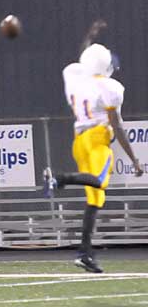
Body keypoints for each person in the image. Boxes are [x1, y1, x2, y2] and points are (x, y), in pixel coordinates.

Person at [43, 20, 143, 273]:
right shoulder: (110, 87)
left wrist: (89, 35)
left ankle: (85, 253)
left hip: (79, 141)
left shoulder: (75, 78)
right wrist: (133, 160)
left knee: (95, 200)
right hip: (98, 138)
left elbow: (85, 59)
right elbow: (117, 126)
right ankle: (57, 178)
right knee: (99, 180)